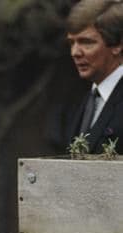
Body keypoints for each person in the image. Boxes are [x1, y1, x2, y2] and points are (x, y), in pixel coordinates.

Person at [65, 0, 123, 153]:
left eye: (86, 42)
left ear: (117, 45)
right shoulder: (87, 100)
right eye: (72, 43)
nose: (75, 52)